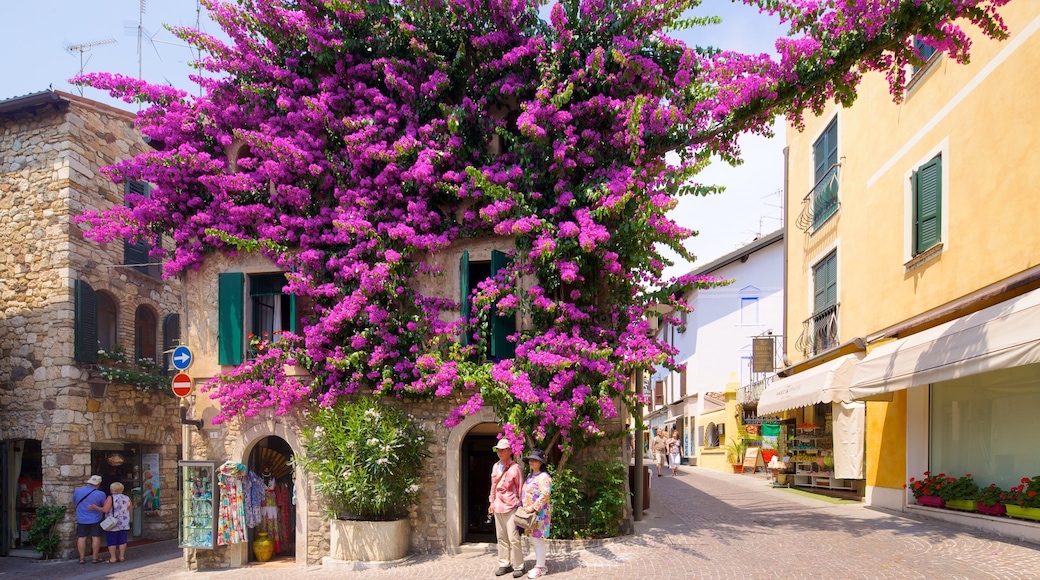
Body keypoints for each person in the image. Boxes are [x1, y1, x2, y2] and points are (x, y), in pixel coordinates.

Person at [489, 439, 524, 578]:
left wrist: (521, 507)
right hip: (498, 506)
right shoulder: (495, 467)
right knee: (501, 537)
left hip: (511, 506)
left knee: (514, 538)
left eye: (503, 450)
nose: (500, 452)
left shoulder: (516, 468)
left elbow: (521, 489)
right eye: (499, 450)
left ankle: (519, 566)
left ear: (510, 451)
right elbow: (493, 486)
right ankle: (504, 563)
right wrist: (491, 502)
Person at [519, 448, 552, 579]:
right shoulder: (530, 476)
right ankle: (541, 564)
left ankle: (540, 567)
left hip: (539, 514)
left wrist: (533, 507)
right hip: (531, 514)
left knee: (537, 540)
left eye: (535, 460)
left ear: (541, 463)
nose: (531, 462)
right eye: (530, 460)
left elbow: (545, 494)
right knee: (534, 539)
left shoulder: (544, 477)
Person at [72, 474, 107, 564]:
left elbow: (74, 501)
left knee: (81, 537)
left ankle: (82, 558)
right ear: (98, 483)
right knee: (96, 537)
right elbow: (104, 505)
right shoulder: (100, 494)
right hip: (95, 518)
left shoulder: (78, 491)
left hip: (81, 518)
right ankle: (95, 558)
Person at [102, 482, 132, 563]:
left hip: (113, 522)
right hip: (124, 522)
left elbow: (106, 509)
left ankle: (113, 557)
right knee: (122, 539)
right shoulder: (126, 497)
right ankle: (121, 556)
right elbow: (130, 509)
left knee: (112, 540)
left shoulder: (110, 498)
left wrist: (96, 508)